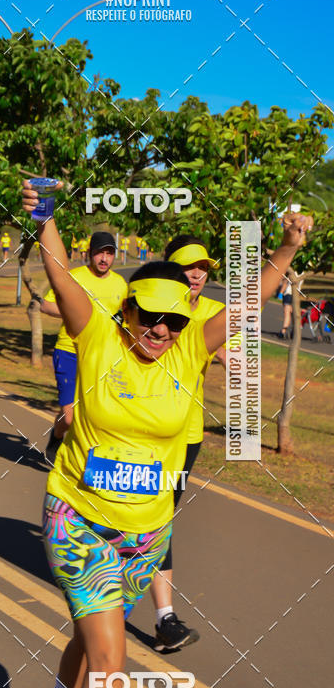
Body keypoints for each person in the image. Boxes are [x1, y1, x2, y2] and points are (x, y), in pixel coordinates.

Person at [22, 179, 311, 688]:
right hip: (80, 519)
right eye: (148, 317)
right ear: (125, 310)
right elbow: (61, 276)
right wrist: (43, 216)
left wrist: (286, 248)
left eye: (173, 320)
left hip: (146, 532)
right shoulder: (97, 335)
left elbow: (249, 301)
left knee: (93, 638)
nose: (160, 329)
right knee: (110, 658)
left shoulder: (186, 352)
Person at [146, 235, 225, 652]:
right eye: (189, 265)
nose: (198, 273)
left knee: (160, 519)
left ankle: (164, 617)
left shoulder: (212, 313)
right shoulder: (146, 307)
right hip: (133, 427)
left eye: (205, 267)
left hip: (184, 435)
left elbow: (236, 351)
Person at [40, 232, 127, 464]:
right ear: (89, 253)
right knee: (68, 417)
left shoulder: (120, 284)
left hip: (102, 355)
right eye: (100, 252)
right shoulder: (74, 277)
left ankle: (85, 460)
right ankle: (56, 438)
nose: (104, 258)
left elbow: (125, 318)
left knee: (96, 413)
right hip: (69, 350)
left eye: (109, 253)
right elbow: (47, 305)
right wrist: (80, 315)